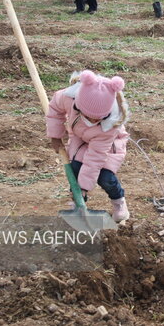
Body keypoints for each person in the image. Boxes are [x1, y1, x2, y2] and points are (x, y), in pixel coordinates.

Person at [47, 70, 131, 223]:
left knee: (105, 178)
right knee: (75, 168)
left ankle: (119, 202)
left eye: (97, 118)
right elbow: (54, 110)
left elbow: (95, 158)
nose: (92, 121)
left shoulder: (111, 124)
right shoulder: (68, 97)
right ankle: (79, 204)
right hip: (80, 137)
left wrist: (85, 187)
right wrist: (55, 135)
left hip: (108, 144)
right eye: (87, 116)